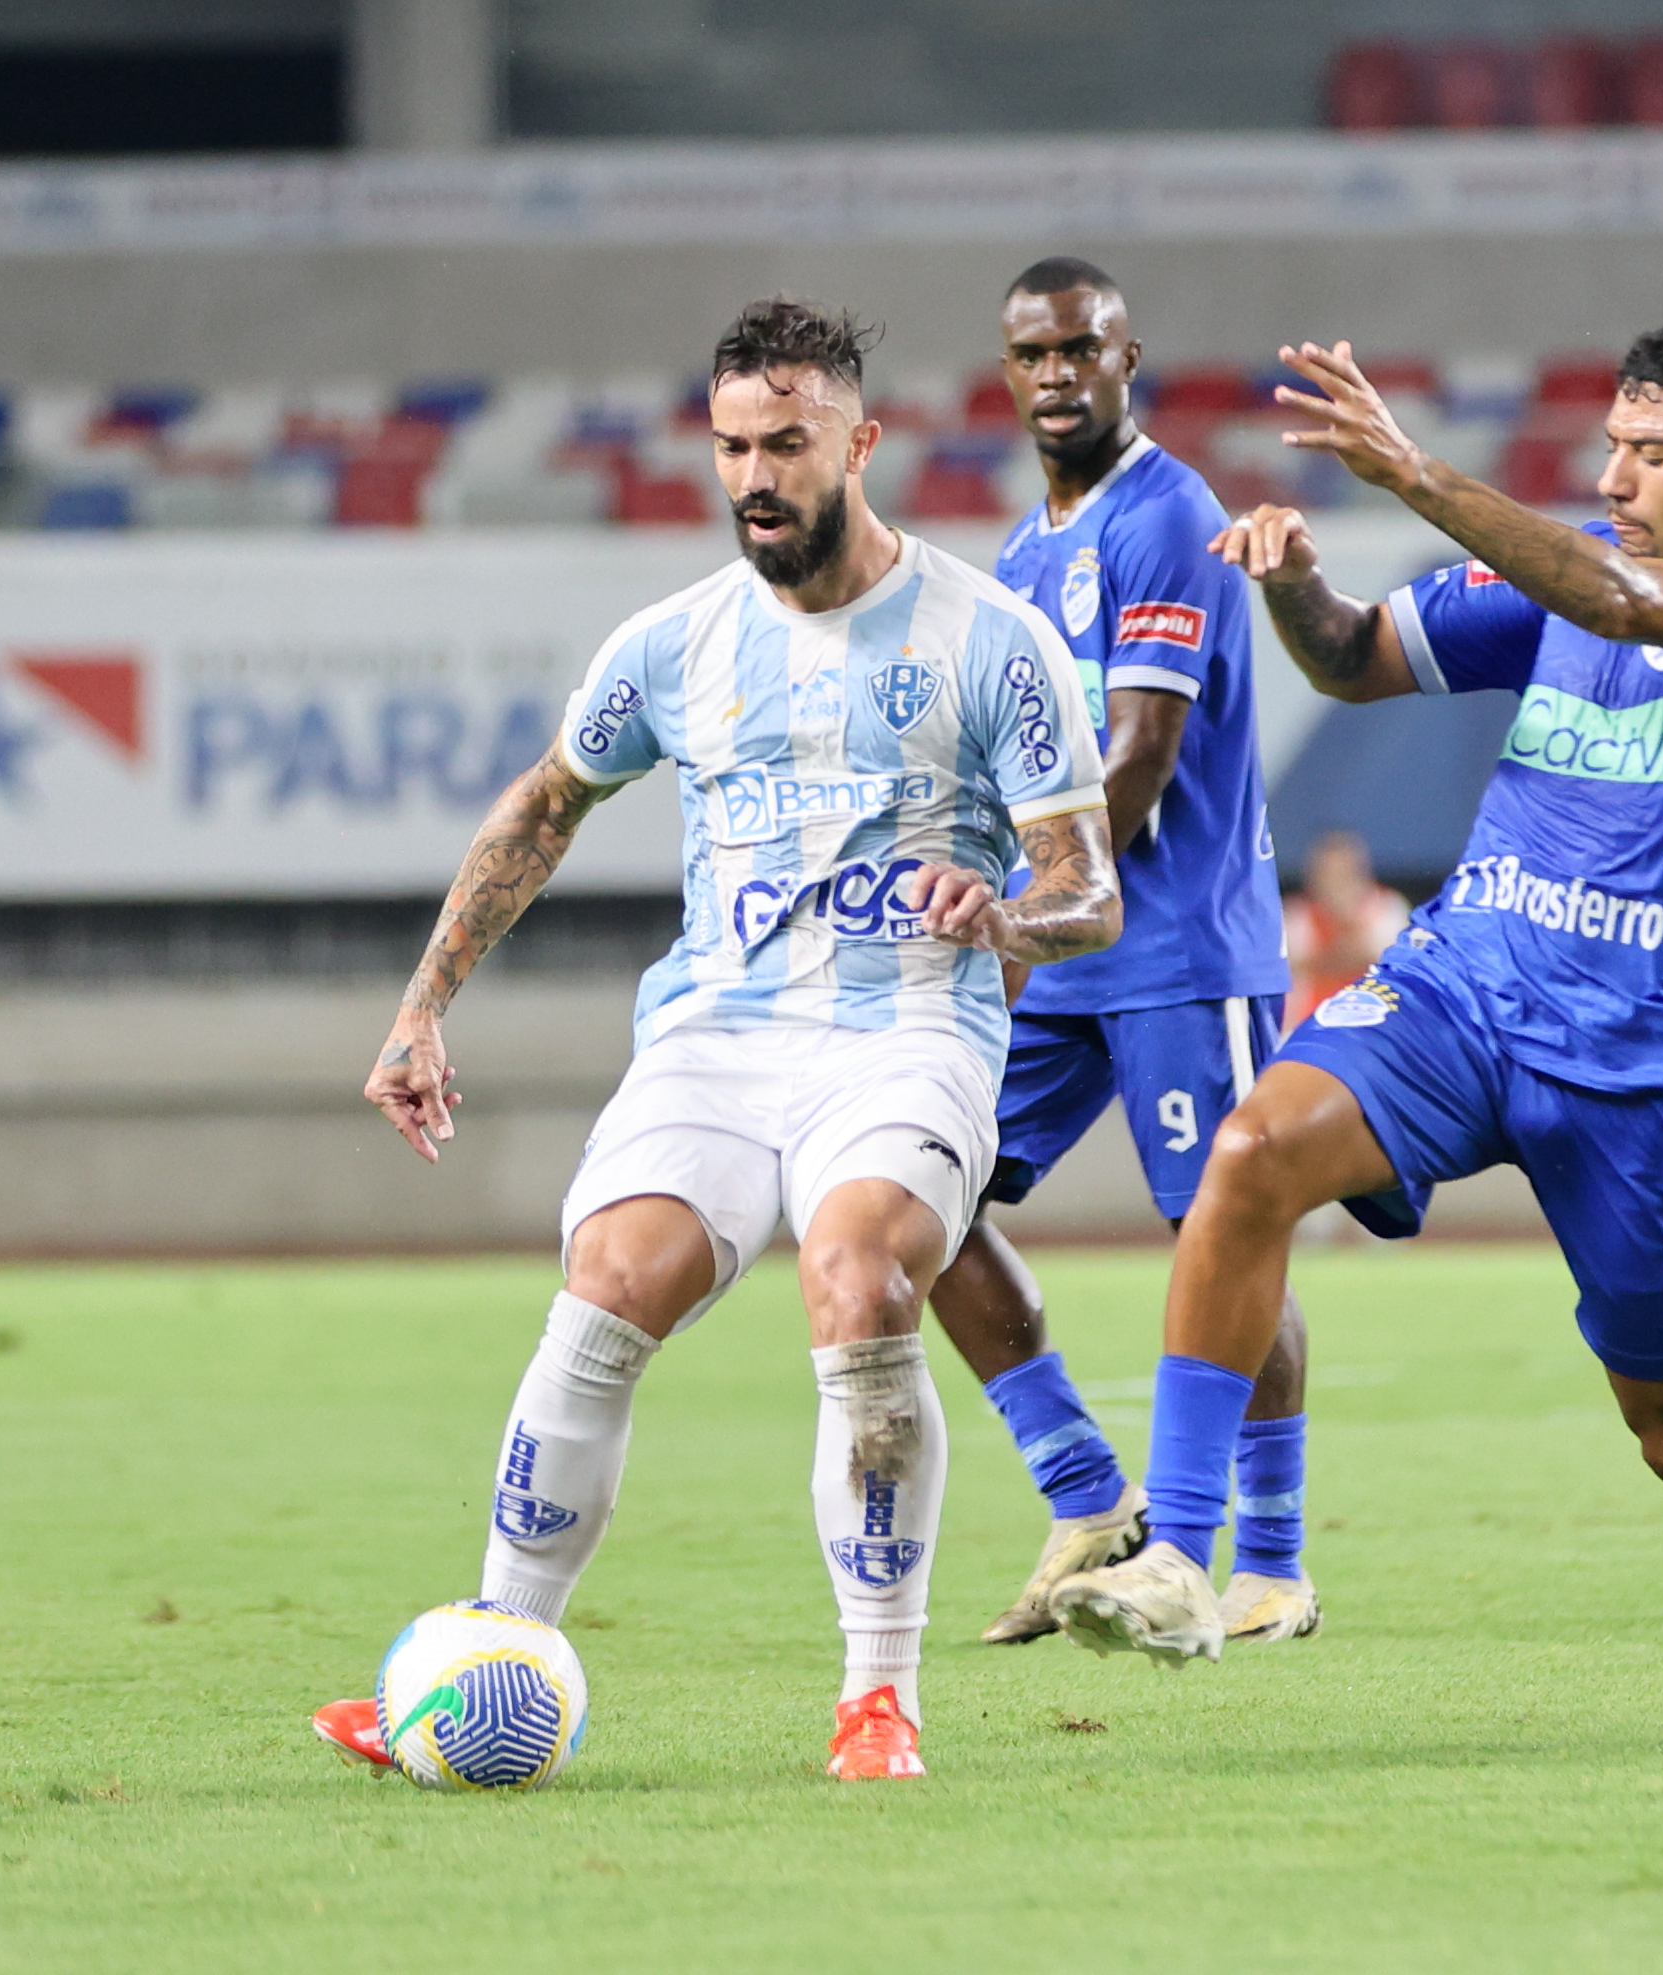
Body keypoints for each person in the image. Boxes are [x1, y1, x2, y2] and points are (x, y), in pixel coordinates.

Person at [1051, 315, 1663, 1744]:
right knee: (1251, 1152)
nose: (1617, 473)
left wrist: (1415, 474)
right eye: (1612, 445)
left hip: (1638, 1062)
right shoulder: (1556, 568)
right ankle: (1184, 1556)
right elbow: (1351, 661)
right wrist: (1298, 583)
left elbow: (1630, 600)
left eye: (1654, 451)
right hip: (1462, 987)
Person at [312, 298, 1117, 1783]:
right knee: (607, 1281)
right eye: (734, 443)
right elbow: (545, 805)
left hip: (908, 1032)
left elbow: (1086, 885)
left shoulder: (992, 643)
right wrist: (423, 1004)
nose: (756, 471)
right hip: (717, 1033)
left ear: (860, 441)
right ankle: (491, 1649)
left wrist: (1004, 916)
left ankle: (878, 1698)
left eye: (788, 442)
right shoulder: (674, 645)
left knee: (858, 1270)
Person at [922, 257, 1317, 1647]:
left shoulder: (1167, 518)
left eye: (1079, 349)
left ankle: (1266, 1556)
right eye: (1030, 353)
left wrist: (1021, 927)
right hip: (1066, 953)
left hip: (1174, 953)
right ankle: (1087, 1491)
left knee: (1225, 1228)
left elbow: (1137, 762)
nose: (1054, 375)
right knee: (920, 1189)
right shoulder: (1028, 554)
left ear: (1125, 355)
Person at [1285, 830, 1409, 1031]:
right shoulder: (1297, 915)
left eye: (1343, 873)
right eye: (1328, 873)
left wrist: (1347, 920)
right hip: (1306, 1027)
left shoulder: (1387, 908)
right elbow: (1292, 967)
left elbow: (1389, 962)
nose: (1336, 882)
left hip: (1374, 1025)